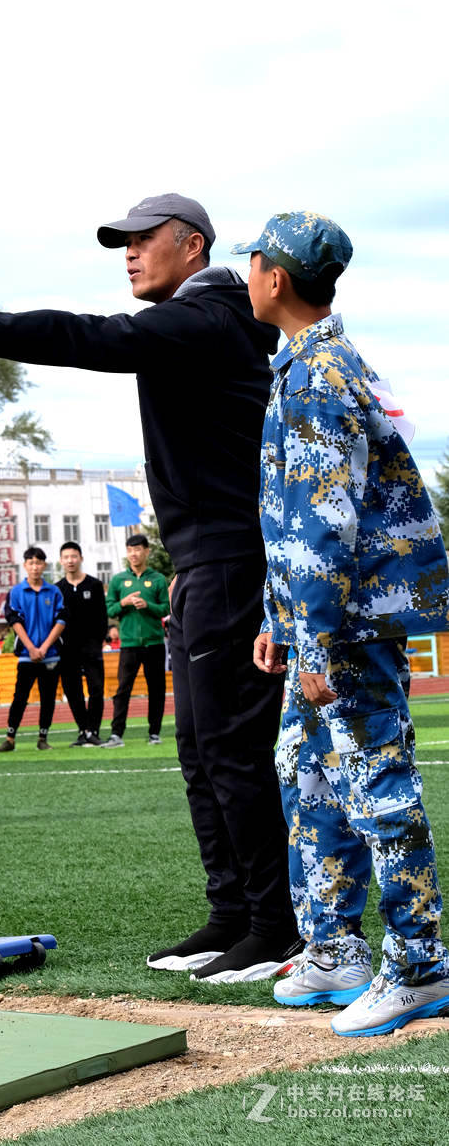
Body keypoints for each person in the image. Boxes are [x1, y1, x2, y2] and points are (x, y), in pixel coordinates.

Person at [0, 191, 299, 979]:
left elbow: (87, 336)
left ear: (193, 246)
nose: (131, 255)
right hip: (203, 567)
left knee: (232, 751)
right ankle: (231, 915)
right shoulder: (196, 325)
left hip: (230, 564)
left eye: (145, 241)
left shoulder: (202, 317)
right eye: (124, 244)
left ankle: (274, 926)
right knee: (201, 752)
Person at [240, 211, 449, 1037]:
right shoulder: (305, 362)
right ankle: (336, 948)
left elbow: (328, 515)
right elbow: (291, 512)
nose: (245, 273)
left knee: (375, 781)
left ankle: (422, 962)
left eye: (251, 261)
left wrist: (316, 635)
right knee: (305, 765)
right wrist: (280, 615)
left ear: (277, 277)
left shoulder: (322, 370)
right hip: (324, 617)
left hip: (354, 624)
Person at [0, 547, 65, 753]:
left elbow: (61, 619)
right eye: (31, 563)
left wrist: (43, 647)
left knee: (48, 697)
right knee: (20, 697)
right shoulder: (16, 592)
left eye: (39, 563)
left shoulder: (53, 591)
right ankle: (10, 737)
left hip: (50, 655)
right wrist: (32, 648)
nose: (35, 567)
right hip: (26, 655)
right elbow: (14, 620)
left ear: (44, 565)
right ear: (25, 565)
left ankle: (43, 737)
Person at [104, 535, 169, 747]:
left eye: (138, 549)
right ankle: (116, 734)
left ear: (147, 551)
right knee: (123, 689)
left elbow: (166, 609)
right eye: (130, 550)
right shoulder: (118, 580)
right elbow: (109, 609)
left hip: (154, 643)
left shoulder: (158, 579)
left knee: (156, 689)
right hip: (129, 644)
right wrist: (123, 602)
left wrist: (147, 605)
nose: (134, 554)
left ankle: (154, 733)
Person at [56, 541, 108, 746]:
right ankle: (82, 729)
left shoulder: (94, 585)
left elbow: (102, 618)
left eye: (74, 556)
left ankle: (93, 730)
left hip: (92, 648)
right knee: (73, 690)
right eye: (66, 557)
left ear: (81, 558)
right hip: (67, 650)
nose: (70, 560)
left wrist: (98, 642)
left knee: (96, 688)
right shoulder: (58, 589)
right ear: (61, 561)